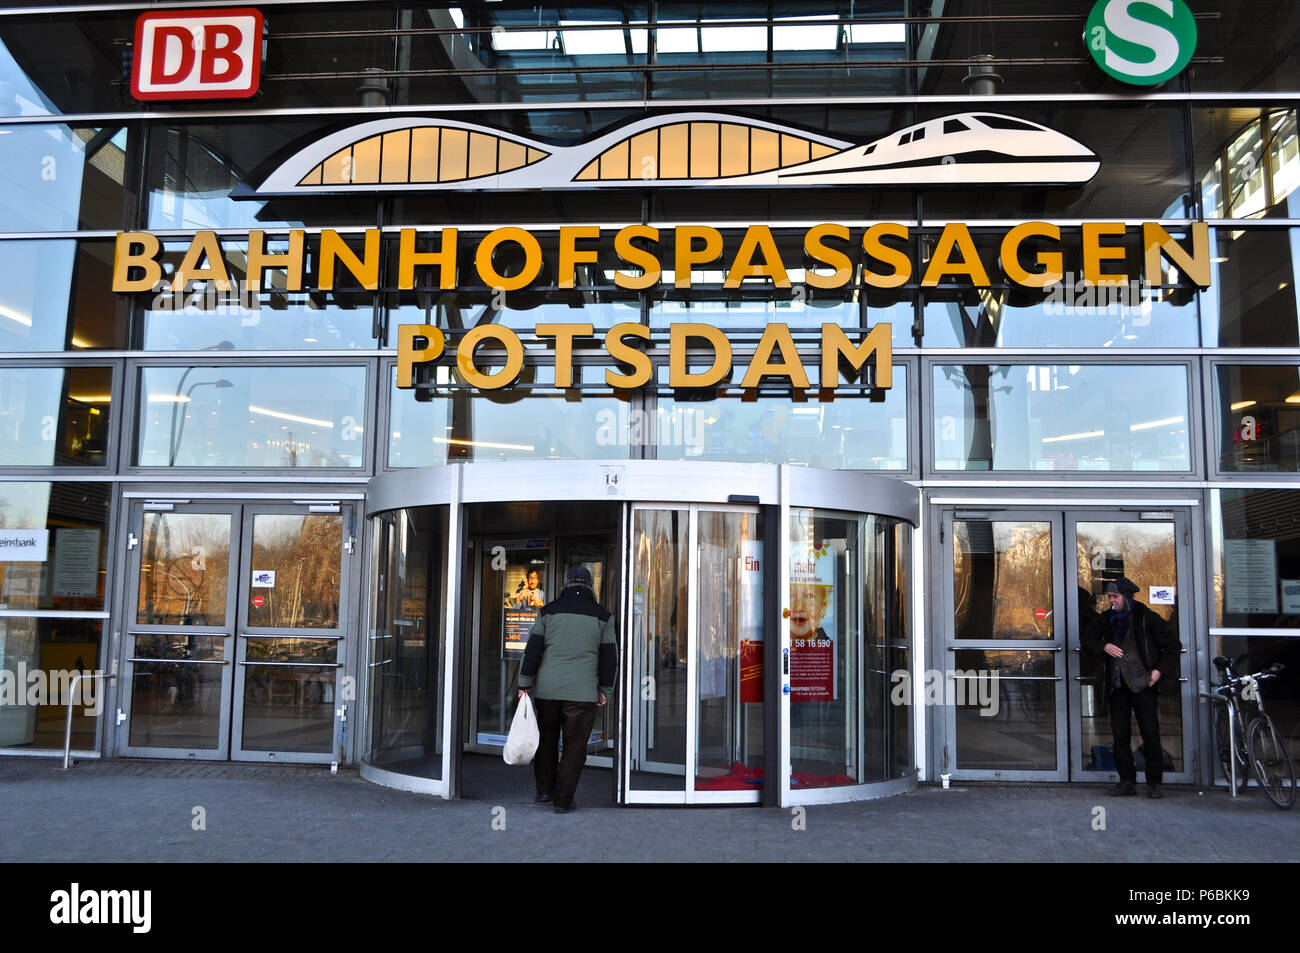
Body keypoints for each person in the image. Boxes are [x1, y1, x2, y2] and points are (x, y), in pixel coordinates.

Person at [517, 565, 616, 814]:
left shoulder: (548, 612)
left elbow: (533, 650)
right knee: (574, 747)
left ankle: (544, 791)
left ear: (566, 583)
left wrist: (524, 684)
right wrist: (606, 689)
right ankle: (562, 801)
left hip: (547, 691)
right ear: (590, 585)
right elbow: (609, 657)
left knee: (547, 739)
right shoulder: (603, 616)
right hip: (582, 694)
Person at [1081, 577, 1181, 799]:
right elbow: (1087, 641)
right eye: (1109, 597)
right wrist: (1104, 646)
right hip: (1117, 686)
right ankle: (1126, 781)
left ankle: (1154, 782)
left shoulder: (1147, 619)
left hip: (1143, 684)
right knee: (1120, 736)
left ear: (1126, 597)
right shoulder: (1106, 619)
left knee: (1150, 734)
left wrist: (1158, 672)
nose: (1111, 601)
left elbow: (1173, 647)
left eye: (1115, 596)